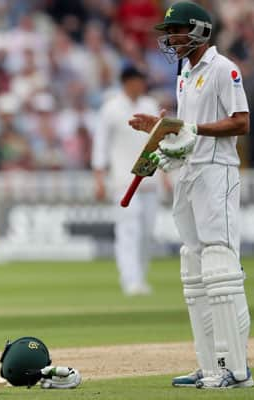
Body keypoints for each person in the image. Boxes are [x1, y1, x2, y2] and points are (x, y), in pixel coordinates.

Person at [128, 1, 253, 389]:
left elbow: (241, 123)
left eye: (176, 31)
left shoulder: (222, 68)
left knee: (220, 266)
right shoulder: (185, 73)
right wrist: (164, 136)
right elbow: (185, 131)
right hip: (189, 174)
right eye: (168, 32)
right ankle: (211, 365)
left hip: (217, 174)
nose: (170, 38)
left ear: (199, 30)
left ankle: (237, 370)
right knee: (195, 270)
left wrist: (190, 130)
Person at [93, 66, 164, 296]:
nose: (141, 85)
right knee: (128, 232)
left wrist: (166, 174)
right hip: (123, 181)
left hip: (150, 179)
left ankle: (140, 278)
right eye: (138, 80)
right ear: (127, 82)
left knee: (146, 233)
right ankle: (129, 280)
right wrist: (99, 179)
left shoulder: (149, 105)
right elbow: (100, 145)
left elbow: (159, 141)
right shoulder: (111, 108)